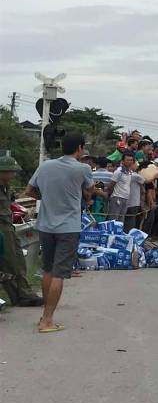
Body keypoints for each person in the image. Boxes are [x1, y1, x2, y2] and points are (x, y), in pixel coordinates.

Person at [26, 132, 94, 333]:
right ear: (80, 148)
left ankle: (44, 315)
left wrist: (46, 195)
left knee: (47, 270)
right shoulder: (83, 168)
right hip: (68, 227)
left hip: (45, 225)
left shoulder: (45, 165)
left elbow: (29, 190)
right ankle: (47, 320)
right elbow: (89, 191)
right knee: (59, 274)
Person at [0, 150, 44, 307]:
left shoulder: (5, 186)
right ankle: (20, 295)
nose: (14, 175)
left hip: (8, 227)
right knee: (10, 263)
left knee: (17, 261)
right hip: (2, 230)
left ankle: (22, 294)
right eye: (11, 171)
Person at [107, 151, 142, 222]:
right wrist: (112, 196)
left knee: (121, 221)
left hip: (125, 198)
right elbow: (111, 185)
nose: (130, 162)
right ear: (123, 161)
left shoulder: (130, 172)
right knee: (113, 220)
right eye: (128, 160)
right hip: (117, 197)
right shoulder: (119, 172)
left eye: (131, 160)